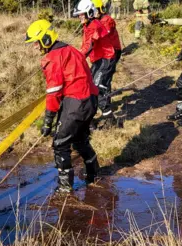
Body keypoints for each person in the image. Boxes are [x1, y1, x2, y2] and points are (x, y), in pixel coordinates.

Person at [25, 20, 100, 193]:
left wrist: (48, 121)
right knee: (80, 140)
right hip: (91, 100)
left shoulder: (52, 58)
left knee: (60, 143)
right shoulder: (71, 49)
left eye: (36, 42)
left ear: (45, 38)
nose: (34, 47)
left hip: (76, 104)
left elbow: (54, 93)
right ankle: (94, 175)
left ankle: (65, 189)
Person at [74, 0, 118, 128]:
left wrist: (78, 59)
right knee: (91, 88)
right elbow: (85, 44)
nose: (79, 17)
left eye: (82, 14)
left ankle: (110, 119)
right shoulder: (87, 25)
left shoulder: (95, 25)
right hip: (98, 60)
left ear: (89, 13)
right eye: (79, 15)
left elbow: (90, 44)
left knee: (98, 88)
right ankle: (90, 119)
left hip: (106, 59)